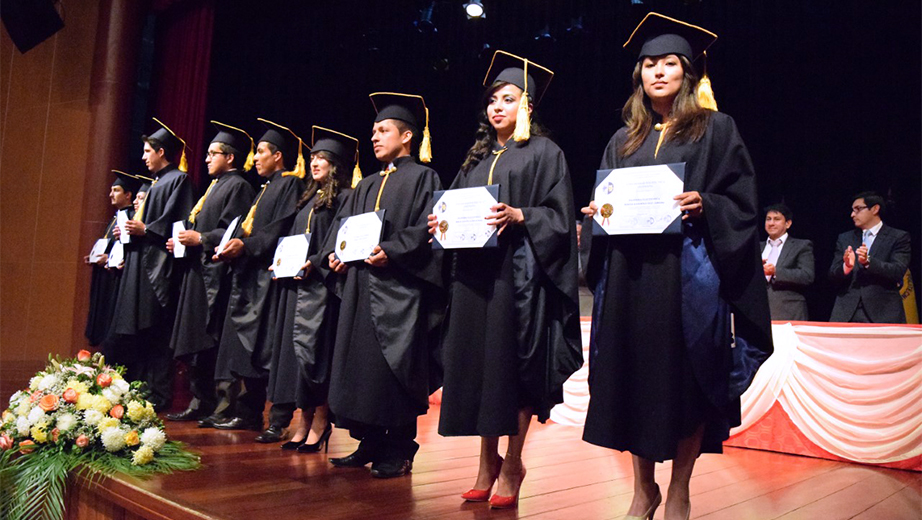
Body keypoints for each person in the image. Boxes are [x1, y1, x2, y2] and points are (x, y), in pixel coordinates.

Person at [580, 13, 772, 520]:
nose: (658, 72)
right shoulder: (622, 139)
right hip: (628, 278)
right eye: (649, 65)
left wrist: (706, 203)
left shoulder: (716, 129)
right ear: (638, 77)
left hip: (688, 277)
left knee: (687, 383)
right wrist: (596, 216)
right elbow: (607, 206)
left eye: (669, 64)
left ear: (688, 74)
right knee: (634, 381)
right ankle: (645, 489)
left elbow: (742, 202)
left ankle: (681, 487)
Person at [431, 51, 582, 508]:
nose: (497, 106)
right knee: (479, 372)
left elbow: (560, 218)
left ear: (528, 107)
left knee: (511, 370)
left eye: (509, 98)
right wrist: (440, 223)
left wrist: (522, 215)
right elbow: (451, 209)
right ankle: (485, 461)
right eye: (493, 99)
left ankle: (512, 462)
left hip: (517, 280)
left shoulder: (544, 153)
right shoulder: (476, 158)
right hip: (475, 279)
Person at [319, 93, 443, 479]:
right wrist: (334, 256)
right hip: (359, 286)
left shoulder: (424, 177)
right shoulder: (366, 183)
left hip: (398, 289)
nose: (374, 137)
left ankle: (400, 449)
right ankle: (368, 443)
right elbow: (341, 230)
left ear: (407, 136)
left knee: (395, 369)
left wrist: (391, 250)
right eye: (373, 131)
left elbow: (428, 227)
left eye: (383, 130)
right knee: (360, 369)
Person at [212, 119, 306, 435]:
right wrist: (228, 245)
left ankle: (270, 418)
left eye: (261, 152)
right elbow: (247, 227)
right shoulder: (265, 188)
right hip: (248, 275)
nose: (255, 158)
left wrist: (246, 246)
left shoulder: (290, 184)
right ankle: (247, 413)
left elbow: (279, 228)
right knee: (242, 347)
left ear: (278, 156)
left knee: (262, 347)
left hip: (268, 279)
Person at [266, 126, 357, 452]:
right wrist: (280, 262)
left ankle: (321, 421)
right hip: (296, 286)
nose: (315, 162)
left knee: (316, 356)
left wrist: (316, 262)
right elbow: (291, 240)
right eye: (313, 157)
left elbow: (338, 239)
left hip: (320, 289)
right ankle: (302, 421)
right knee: (295, 357)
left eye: (323, 158)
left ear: (336, 164)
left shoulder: (344, 198)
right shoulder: (307, 199)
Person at [165, 122, 257, 422]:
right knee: (194, 341)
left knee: (212, 340)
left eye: (212, 153)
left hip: (217, 277)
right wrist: (183, 241)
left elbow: (233, 231)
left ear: (230, 158)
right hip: (198, 271)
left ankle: (221, 405)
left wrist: (202, 239)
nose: (205, 159)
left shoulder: (239, 186)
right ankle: (199, 400)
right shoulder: (215, 186)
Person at [111, 119, 195, 410]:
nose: (144, 157)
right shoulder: (156, 183)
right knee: (142, 332)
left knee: (157, 331)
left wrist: (144, 230)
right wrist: (128, 232)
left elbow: (176, 220)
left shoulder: (178, 180)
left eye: (148, 151)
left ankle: (160, 394)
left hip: (159, 267)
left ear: (162, 152)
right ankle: (143, 389)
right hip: (141, 264)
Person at [828, 191, 911, 323]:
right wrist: (846, 267)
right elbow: (832, 274)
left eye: (858, 209)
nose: (852, 214)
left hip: (883, 312)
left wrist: (868, 262)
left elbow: (897, 271)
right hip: (847, 313)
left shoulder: (898, 237)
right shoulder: (845, 238)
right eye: (852, 210)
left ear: (875, 209)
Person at [84, 171, 140, 347]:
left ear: (128, 194)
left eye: (116, 190)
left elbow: (126, 252)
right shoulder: (116, 216)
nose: (111, 194)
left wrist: (109, 259)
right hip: (104, 276)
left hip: (116, 280)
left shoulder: (131, 218)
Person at [761, 203, 814, 321]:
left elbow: (807, 276)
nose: (771, 223)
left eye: (776, 219)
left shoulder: (801, 246)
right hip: (758, 310)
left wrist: (775, 271)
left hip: (788, 311)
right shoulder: (756, 247)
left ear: (788, 223)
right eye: (768, 219)